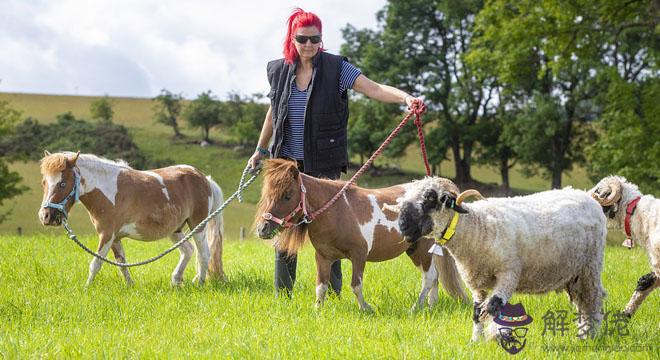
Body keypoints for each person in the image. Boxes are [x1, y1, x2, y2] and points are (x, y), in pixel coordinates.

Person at [248, 8, 424, 298]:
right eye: (302, 39)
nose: (308, 45)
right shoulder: (278, 71)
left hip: (322, 164)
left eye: (314, 39)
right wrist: (260, 149)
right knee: (282, 229)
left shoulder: (337, 69)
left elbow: (374, 88)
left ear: (321, 40)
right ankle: (284, 296)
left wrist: (406, 98)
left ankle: (333, 294)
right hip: (286, 165)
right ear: (292, 39)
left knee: (333, 231)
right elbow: (273, 112)